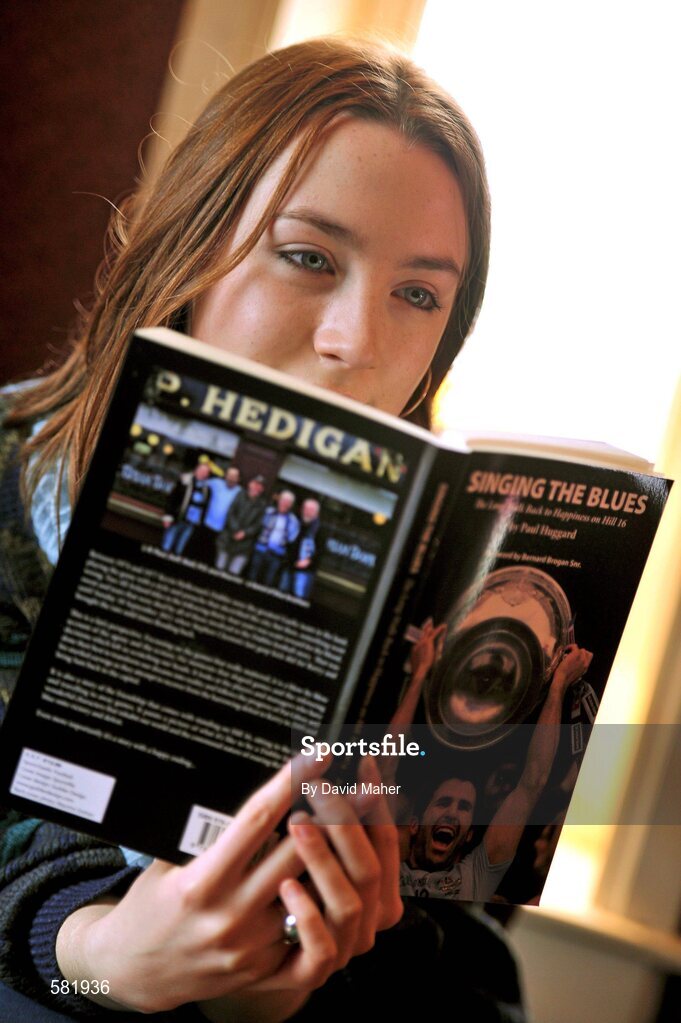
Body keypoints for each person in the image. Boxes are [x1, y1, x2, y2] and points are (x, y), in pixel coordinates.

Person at [0, 35, 526, 1022]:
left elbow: (470, 922)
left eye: (419, 295)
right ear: (190, 252)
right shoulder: (7, 478)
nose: (355, 342)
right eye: (307, 257)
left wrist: (287, 985)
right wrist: (95, 951)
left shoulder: (452, 575)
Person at [398, 623, 593, 901]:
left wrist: (558, 686)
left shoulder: (478, 875)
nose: (453, 812)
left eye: (464, 807)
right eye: (443, 802)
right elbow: (386, 766)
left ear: (468, 835)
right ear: (414, 824)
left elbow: (531, 783)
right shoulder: (388, 856)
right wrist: (419, 675)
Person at [215, 473, 267, 574]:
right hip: (227, 540)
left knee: (233, 575)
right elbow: (230, 513)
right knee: (218, 570)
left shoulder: (262, 505)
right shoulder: (239, 495)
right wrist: (235, 530)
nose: (257, 487)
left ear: (262, 489)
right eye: (255, 484)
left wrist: (244, 533)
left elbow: (258, 525)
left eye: (260, 486)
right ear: (250, 484)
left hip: (244, 547)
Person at [248, 492, 300, 588]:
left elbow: (292, 539)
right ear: (279, 500)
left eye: (287, 502)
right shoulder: (268, 512)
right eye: (283, 500)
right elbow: (257, 526)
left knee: (268, 582)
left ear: (291, 505)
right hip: (260, 550)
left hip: (276, 555)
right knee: (252, 577)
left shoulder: (293, 520)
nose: (284, 504)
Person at [161, 461, 213, 555]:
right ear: (196, 470)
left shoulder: (207, 489)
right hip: (177, 518)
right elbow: (172, 498)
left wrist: (200, 523)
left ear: (207, 475)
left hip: (191, 524)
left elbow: (205, 507)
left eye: (205, 472)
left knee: (180, 550)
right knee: (166, 547)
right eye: (201, 470)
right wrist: (167, 516)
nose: (202, 473)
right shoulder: (184, 481)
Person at [279, 499, 321, 599]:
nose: (307, 512)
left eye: (311, 510)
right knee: (281, 593)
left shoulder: (319, 529)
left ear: (316, 513)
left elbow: (320, 551)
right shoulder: (295, 523)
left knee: (298, 597)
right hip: (289, 565)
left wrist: (308, 561)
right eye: (305, 509)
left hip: (305, 570)